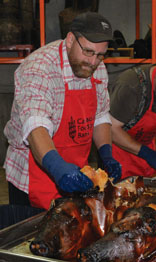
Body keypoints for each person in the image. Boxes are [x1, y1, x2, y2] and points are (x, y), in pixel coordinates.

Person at [3, 11, 121, 210]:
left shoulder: (96, 67)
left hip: (76, 171)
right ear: (70, 40)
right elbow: (35, 125)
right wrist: (57, 168)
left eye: (101, 55)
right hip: (34, 174)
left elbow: (100, 116)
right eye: (88, 52)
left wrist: (106, 154)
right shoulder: (39, 67)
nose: (93, 62)